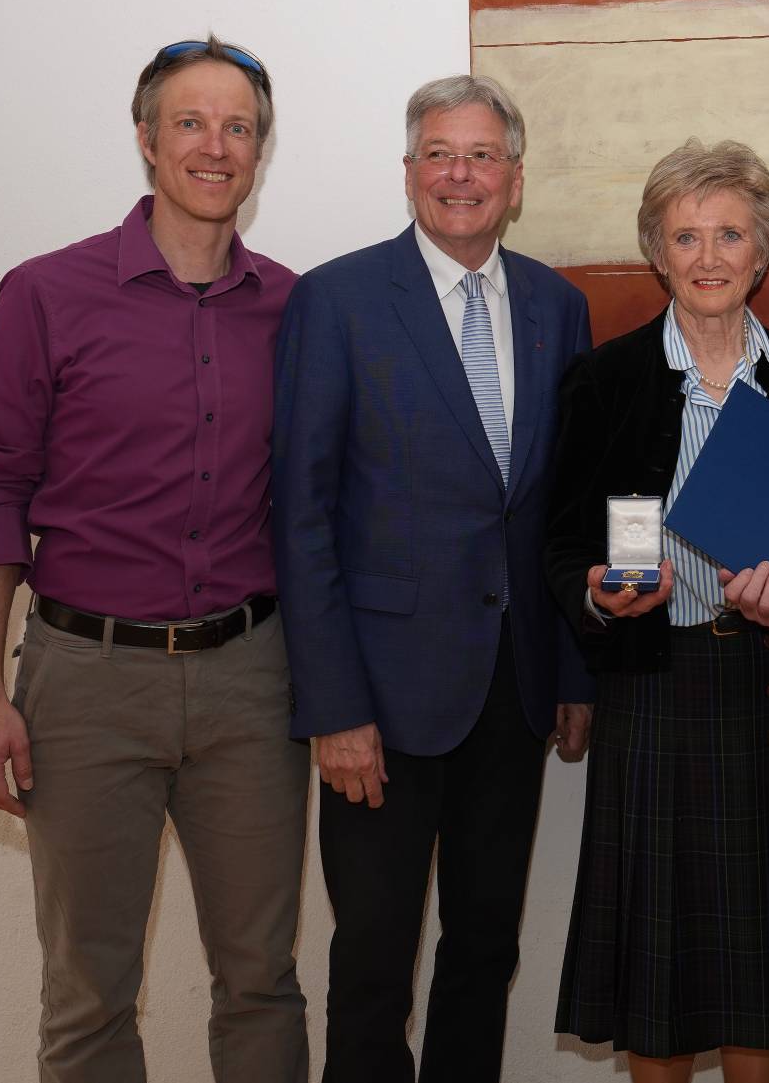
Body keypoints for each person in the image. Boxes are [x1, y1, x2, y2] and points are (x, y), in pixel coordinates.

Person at [0, 35, 308, 1082]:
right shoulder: (45, 295)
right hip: (84, 685)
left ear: (260, 151)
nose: (216, 145)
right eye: (191, 123)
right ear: (148, 140)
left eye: (238, 127)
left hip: (252, 681)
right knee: (90, 994)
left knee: (261, 981)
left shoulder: (297, 310)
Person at [271, 74, 594, 1083]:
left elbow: (566, 508)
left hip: (513, 688)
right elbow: (303, 512)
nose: (463, 176)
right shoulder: (338, 300)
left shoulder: (557, 305)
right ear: (409, 172)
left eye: (484, 156)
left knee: (484, 948)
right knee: (371, 963)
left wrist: (575, 675)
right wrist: (334, 708)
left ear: (516, 178)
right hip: (380, 698)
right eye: (442, 155)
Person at [545, 138, 769, 1083]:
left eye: (729, 233)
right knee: (661, 973)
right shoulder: (607, 382)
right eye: (685, 235)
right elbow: (566, 543)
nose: (708, 255)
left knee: (759, 966)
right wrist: (600, 596)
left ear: (762, 250)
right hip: (655, 689)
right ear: (657, 251)